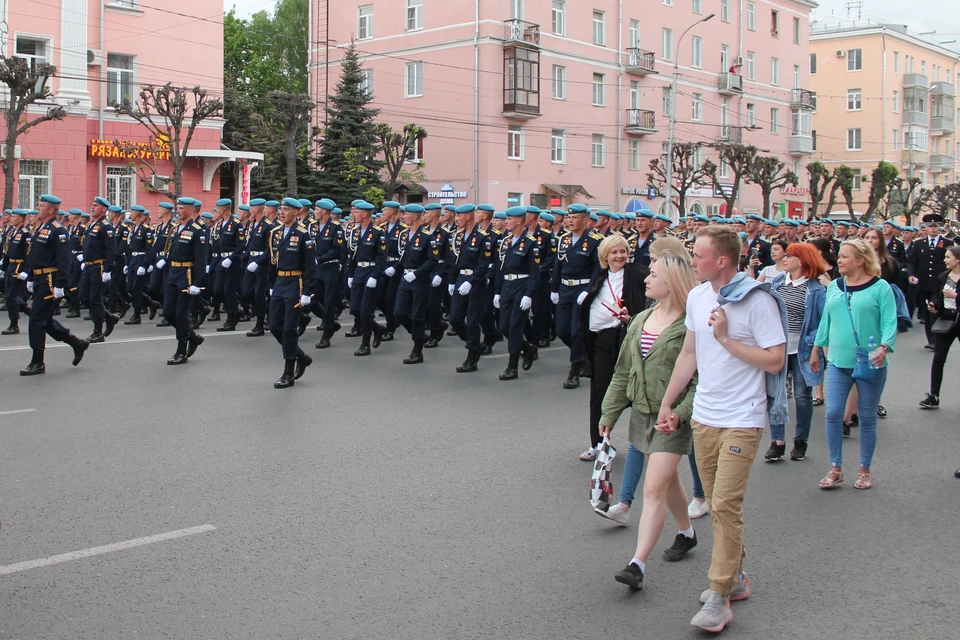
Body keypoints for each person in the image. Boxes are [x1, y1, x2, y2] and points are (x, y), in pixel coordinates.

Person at [657, 225, 787, 633]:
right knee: (716, 503)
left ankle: (719, 595)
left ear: (723, 261)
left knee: (727, 505)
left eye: (698, 255)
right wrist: (669, 402)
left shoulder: (756, 300)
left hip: (743, 418)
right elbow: (690, 354)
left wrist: (727, 339)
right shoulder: (697, 296)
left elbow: (776, 360)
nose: (691, 261)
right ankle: (735, 577)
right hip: (705, 417)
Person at [598, 253, 700, 591]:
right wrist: (608, 413)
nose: (645, 279)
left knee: (654, 487)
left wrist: (680, 413)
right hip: (642, 414)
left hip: (671, 419)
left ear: (671, 281)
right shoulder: (641, 319)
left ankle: (637, 564)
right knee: (668, 481)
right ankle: (686, 533)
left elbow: (699, 380)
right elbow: (623, 371)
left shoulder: (690, 324)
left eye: (653, 274)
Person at [812, 239, 897, 491]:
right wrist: (817, 349)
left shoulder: (881, 288)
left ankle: (864, 470)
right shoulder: (835, 287)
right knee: (833, 413)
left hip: (870, 361)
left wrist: (884, 347)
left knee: (868, 417)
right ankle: (836, 468)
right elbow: (826, 321)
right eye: (839, 256)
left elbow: (890, 322)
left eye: (845, 256)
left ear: (860, 260)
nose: (838, 260)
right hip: (838, 361)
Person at [579, 235, 648, 461]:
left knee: (636, 392)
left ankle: (646, 442)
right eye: (615, 252)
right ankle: (598, 444)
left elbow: (654, 295)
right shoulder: (599, 277)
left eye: (623, 251)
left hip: (627, 338)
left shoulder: (637, 273)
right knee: (600, 392)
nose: (620, 256)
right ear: (605, 256)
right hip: (602, 341)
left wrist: (635, 318)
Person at [765, 243, 827, 462]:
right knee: (776, 393)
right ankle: (777, 441)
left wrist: (813, 348)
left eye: (789, 256)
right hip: (778, 347)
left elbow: (822, 324)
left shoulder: (816, 290)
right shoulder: (778, 283)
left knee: (802, 396)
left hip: (802, 349)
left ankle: (800, 441)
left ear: (801, 261)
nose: (784, 258)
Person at [17, 194, 89, 375]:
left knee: (36, 320)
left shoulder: (58, 230)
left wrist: (59, 285)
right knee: (44, 321)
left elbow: (64, 260)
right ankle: (76, 342)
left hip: (49, 281)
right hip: (40, 279)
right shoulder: (40, 228)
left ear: (50, 210)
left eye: (41, 206)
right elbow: (35, 255)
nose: (37, 208)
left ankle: (37, 362)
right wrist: (32, 278)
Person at [266, 198, 316, 388]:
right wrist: (271, 284)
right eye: (281, 209)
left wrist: (307, 293)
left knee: (288, 329)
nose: (282, 212)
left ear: (296, 212)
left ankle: (288, 371)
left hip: (296, 283)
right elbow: (272, 260)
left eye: (286, 209)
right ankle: (301, 356)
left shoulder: (303, 234)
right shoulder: (275, 232)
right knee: (274, 326)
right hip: (279, 282)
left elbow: (310, 266)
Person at [551, 203, 602, 389]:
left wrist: (588, 290)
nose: (570, 221)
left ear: (585, 220)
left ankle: (574, 371)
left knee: (576, 331)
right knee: (562, 330)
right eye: (569, 217)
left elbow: (598, 268)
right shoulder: (563, 239)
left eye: (574, 218)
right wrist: (554, 288)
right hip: (565, 289)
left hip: (582, 290)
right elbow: (559, 265)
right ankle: (583, 355)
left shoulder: (595, 241)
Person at [494, 206, 541, 380]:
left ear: (519, 221)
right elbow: (500, 267)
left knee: (514, 327)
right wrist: (497, 292)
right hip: (507, 285)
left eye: (509, 219)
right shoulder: (505, 241)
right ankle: (528, 348)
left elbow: (534, 270)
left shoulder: (530, 242)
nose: (506, 222)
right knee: (504, 326)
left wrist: (529, 294)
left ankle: (512, 366)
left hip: (522, 285)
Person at [162, 197, 208, 365]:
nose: (178, 211)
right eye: (177, 207)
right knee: (168, 311)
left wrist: (197, 282)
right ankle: (192, 336)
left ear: (189, 210)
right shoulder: (175, 228)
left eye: (181, 208)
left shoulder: (197, 230)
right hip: (173, 271)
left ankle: (181, 350)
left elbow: (201, 259)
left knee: (181, 313)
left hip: (186, 273)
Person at [919, 245, 960, 410]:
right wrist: (935, 306)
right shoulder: (944, 276)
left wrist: (956, 296)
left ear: (958, 259)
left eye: (948, 257)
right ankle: (934, 396)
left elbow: (952, 296)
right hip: (947, 320)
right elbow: (939, 297)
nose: (945, 260)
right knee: (938, 358)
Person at [909, 213, 955, 349]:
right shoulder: (918, 244)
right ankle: (931, 339)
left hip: (939, 284)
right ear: (926, 228)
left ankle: (938, 338)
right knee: (926, 312)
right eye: (930, 226)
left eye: (935, 226)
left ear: (939, 227)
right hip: (923, 284)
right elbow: (912, 262)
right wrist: (911, 275)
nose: (932, 229)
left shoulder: (947, 243)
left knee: (935, 309)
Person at [78, 196, 119, 343]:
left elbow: (110, 249)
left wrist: (108, 268)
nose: (92, 207)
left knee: (95, 298)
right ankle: (109, 316)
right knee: (83, 296)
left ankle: (98, 332)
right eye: (92, 204)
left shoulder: (106, 226)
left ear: (104, 209)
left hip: (99, 266)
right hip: (89, 265)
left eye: (95, 205)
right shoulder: (92, 224)